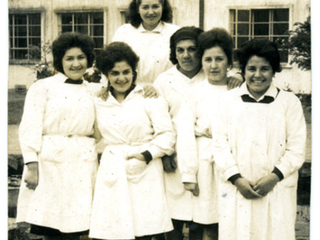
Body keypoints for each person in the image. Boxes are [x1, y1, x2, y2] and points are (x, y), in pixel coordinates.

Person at [212, 39, 306, 240]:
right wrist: (237, 179)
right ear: (243, 70)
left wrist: (273, 178)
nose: (257, 75)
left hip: (276, 188)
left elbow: (296, 149)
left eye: (265, 69)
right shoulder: (227, 101)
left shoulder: (290, 103)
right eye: (251, 68)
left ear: (274, 71)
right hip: (237, 189)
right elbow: (219, 145)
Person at [154, 26, 242, 240]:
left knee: (211, 220)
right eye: (180, 50)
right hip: (181, 154)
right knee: (177, 217)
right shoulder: (166, 82)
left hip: (220, 158)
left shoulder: (226, 83)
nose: (186, 55)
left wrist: (238, 76)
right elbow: (163, 122)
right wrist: (171, 157)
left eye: (192, 49)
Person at [89, 42, 176, 240]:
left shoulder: (149, 97)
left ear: (134, 71)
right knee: (112, 230)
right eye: (114, 73)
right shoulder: (99, 100)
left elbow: (167, 135)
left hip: (145, 166)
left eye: (126, 72)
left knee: (144, 229)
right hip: (112, 166)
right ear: (106, 75)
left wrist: (146, 155)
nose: (121, 78)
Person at [16, 32, 98, 240]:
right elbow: (29, 127)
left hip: (82, 162)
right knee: (51, 226)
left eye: (81, 57)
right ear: (60, 61)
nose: (76, 64)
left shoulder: (95, 90)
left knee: (77, 226)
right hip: (50, 162)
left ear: (88, 59)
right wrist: (31, 166)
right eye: (69, 58)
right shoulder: (42, 87)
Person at [190, 27, 236, 240]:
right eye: (208, 59)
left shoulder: (238, 89)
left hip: (232, 160)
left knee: (231, 220)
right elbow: (186, 134)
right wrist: (189, 173)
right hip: (205, 162)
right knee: (208, 223)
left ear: (229, 61)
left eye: (220, 59)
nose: (214, 65)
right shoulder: (195, 91)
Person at [112, 0, 180, 84]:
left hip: (165, 89)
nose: (150, 12)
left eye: (155, 6)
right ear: (137, 9)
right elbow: (111, 63)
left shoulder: (175, 32)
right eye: (145, 7)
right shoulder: (124, 31)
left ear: (163, 7)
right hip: (131, 90)